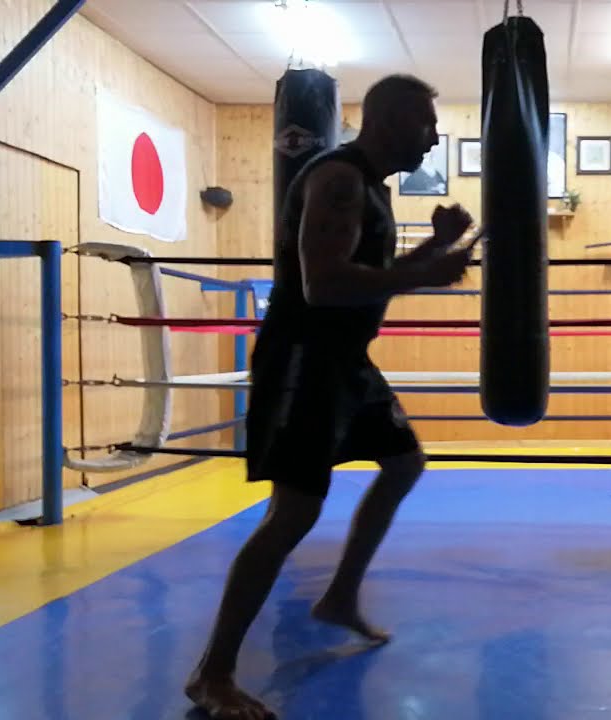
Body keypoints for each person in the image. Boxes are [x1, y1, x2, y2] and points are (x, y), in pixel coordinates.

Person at [185, 74, 476, 720]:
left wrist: (434, 246)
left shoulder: (370, 187)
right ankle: (213, 674)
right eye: (426, 124)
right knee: (293, 514)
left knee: (404, 464)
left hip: (346, 362)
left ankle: (340, 596)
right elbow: (323, 284)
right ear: (393, 121)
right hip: (303, 359)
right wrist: (425, 273)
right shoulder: (339, 178)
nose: (433, 137)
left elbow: (371, 275)